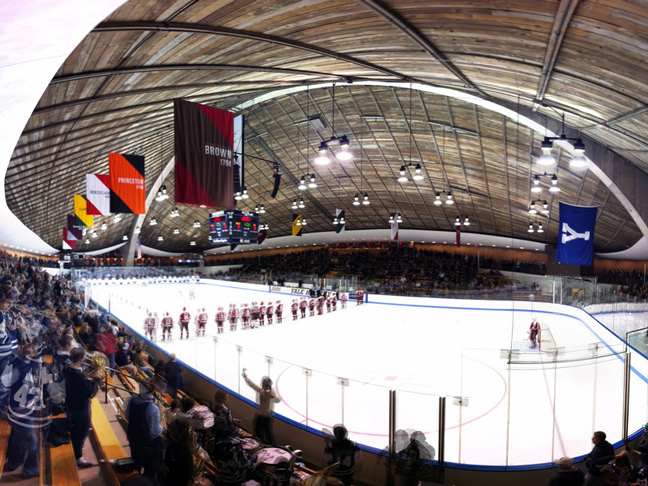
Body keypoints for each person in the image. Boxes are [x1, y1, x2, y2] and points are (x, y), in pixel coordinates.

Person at [1, 340, 52, 479]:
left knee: (19, 437)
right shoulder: (31, 368)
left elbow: (4, 384)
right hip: (24, 414)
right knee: (34, 441)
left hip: (14, 410)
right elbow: (36, 390)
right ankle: (30, 469)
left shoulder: (13, 363)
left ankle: (14, 462)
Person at [64, 347, 102, 468]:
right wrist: (96, 379)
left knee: (76, 430)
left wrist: (87, 379)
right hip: (80, 409)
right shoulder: (78, 376)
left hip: (71, 404)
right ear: (80, 359)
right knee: (82, 431)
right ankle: (79, 456)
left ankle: (77, 446)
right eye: (84, 357)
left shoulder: (68, 368)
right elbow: (89, 394)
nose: (85, 358)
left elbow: (79, 387)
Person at [125, 378, 163, 483]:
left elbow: (128, 416)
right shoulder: (152, 408)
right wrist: (162, 426)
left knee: (136, 462)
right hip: (147, 444)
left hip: (133, 439)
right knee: (151, 471)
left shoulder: (132, 400)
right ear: (153, 390)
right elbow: (155, 432)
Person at [242, 369, 280, 445]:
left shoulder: (270, 393)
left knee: (267, 433)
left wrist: (273, 396)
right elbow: (253, 385)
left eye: (262, 384)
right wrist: (246, 377)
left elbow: (278, 400)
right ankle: (261, 443)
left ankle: (271, 446)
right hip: (261, 416)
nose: (261, 385)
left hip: (267, 417)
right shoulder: (261, 390)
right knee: (258, 431)